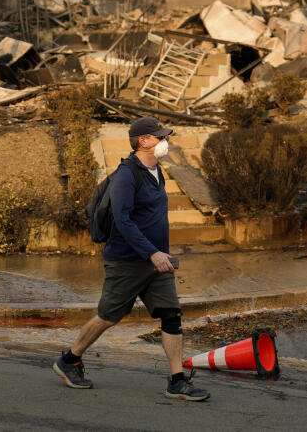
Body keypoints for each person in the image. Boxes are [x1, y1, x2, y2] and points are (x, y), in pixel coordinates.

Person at [53, 116, 210, 401]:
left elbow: (151, 217)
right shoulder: (127, 175)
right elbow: (123, 222)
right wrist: (151, 252)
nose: (165, 141)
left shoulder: (157, 171)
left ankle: (177, 380)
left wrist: (161, 254)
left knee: (171, 315)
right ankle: (69, 359)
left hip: (158, 263)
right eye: (160, 137)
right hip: (127, 261)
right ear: (143, 141)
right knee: (108, 316)